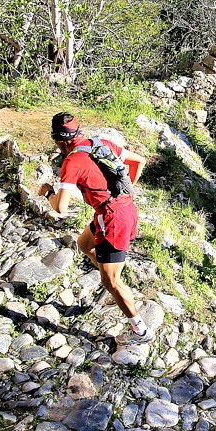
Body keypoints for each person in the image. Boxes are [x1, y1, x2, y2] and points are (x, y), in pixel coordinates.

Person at [38, 112, 153, 344]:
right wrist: (125, 191)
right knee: (84, 244)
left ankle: (141, 332)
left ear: (59, 140)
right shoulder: (100, 144)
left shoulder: (71, 162)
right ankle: (113, 279)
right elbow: (138, 161)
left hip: (112, 220)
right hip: (125, 209)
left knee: (110, 282)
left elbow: (60, 207)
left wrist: (47, 192)